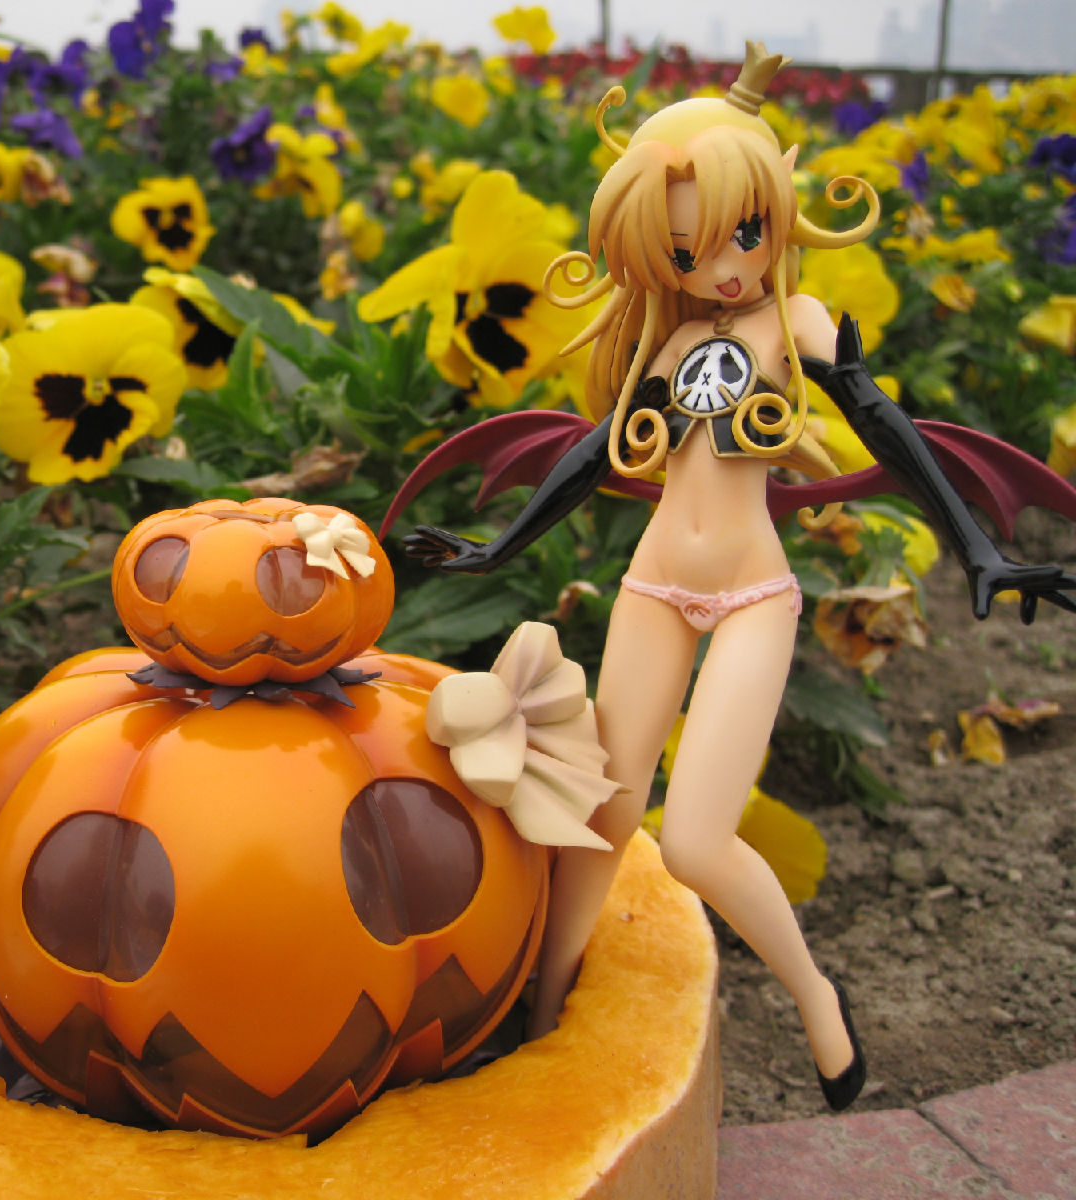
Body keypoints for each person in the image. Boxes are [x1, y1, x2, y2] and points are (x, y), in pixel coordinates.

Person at [392, 44, 1076, 1111]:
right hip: (653, 587)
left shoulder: (794, 326)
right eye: (686, 249)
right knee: (605, 810)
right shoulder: (666, 347)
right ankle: (542, 1015)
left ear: (773, 211)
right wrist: (499, 548)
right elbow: (592, 454)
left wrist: (980, 548)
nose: (721, 268)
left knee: (698, 841)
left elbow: (890, 433)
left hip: (753, 596)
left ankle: (814, 998)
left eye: (742, 235)